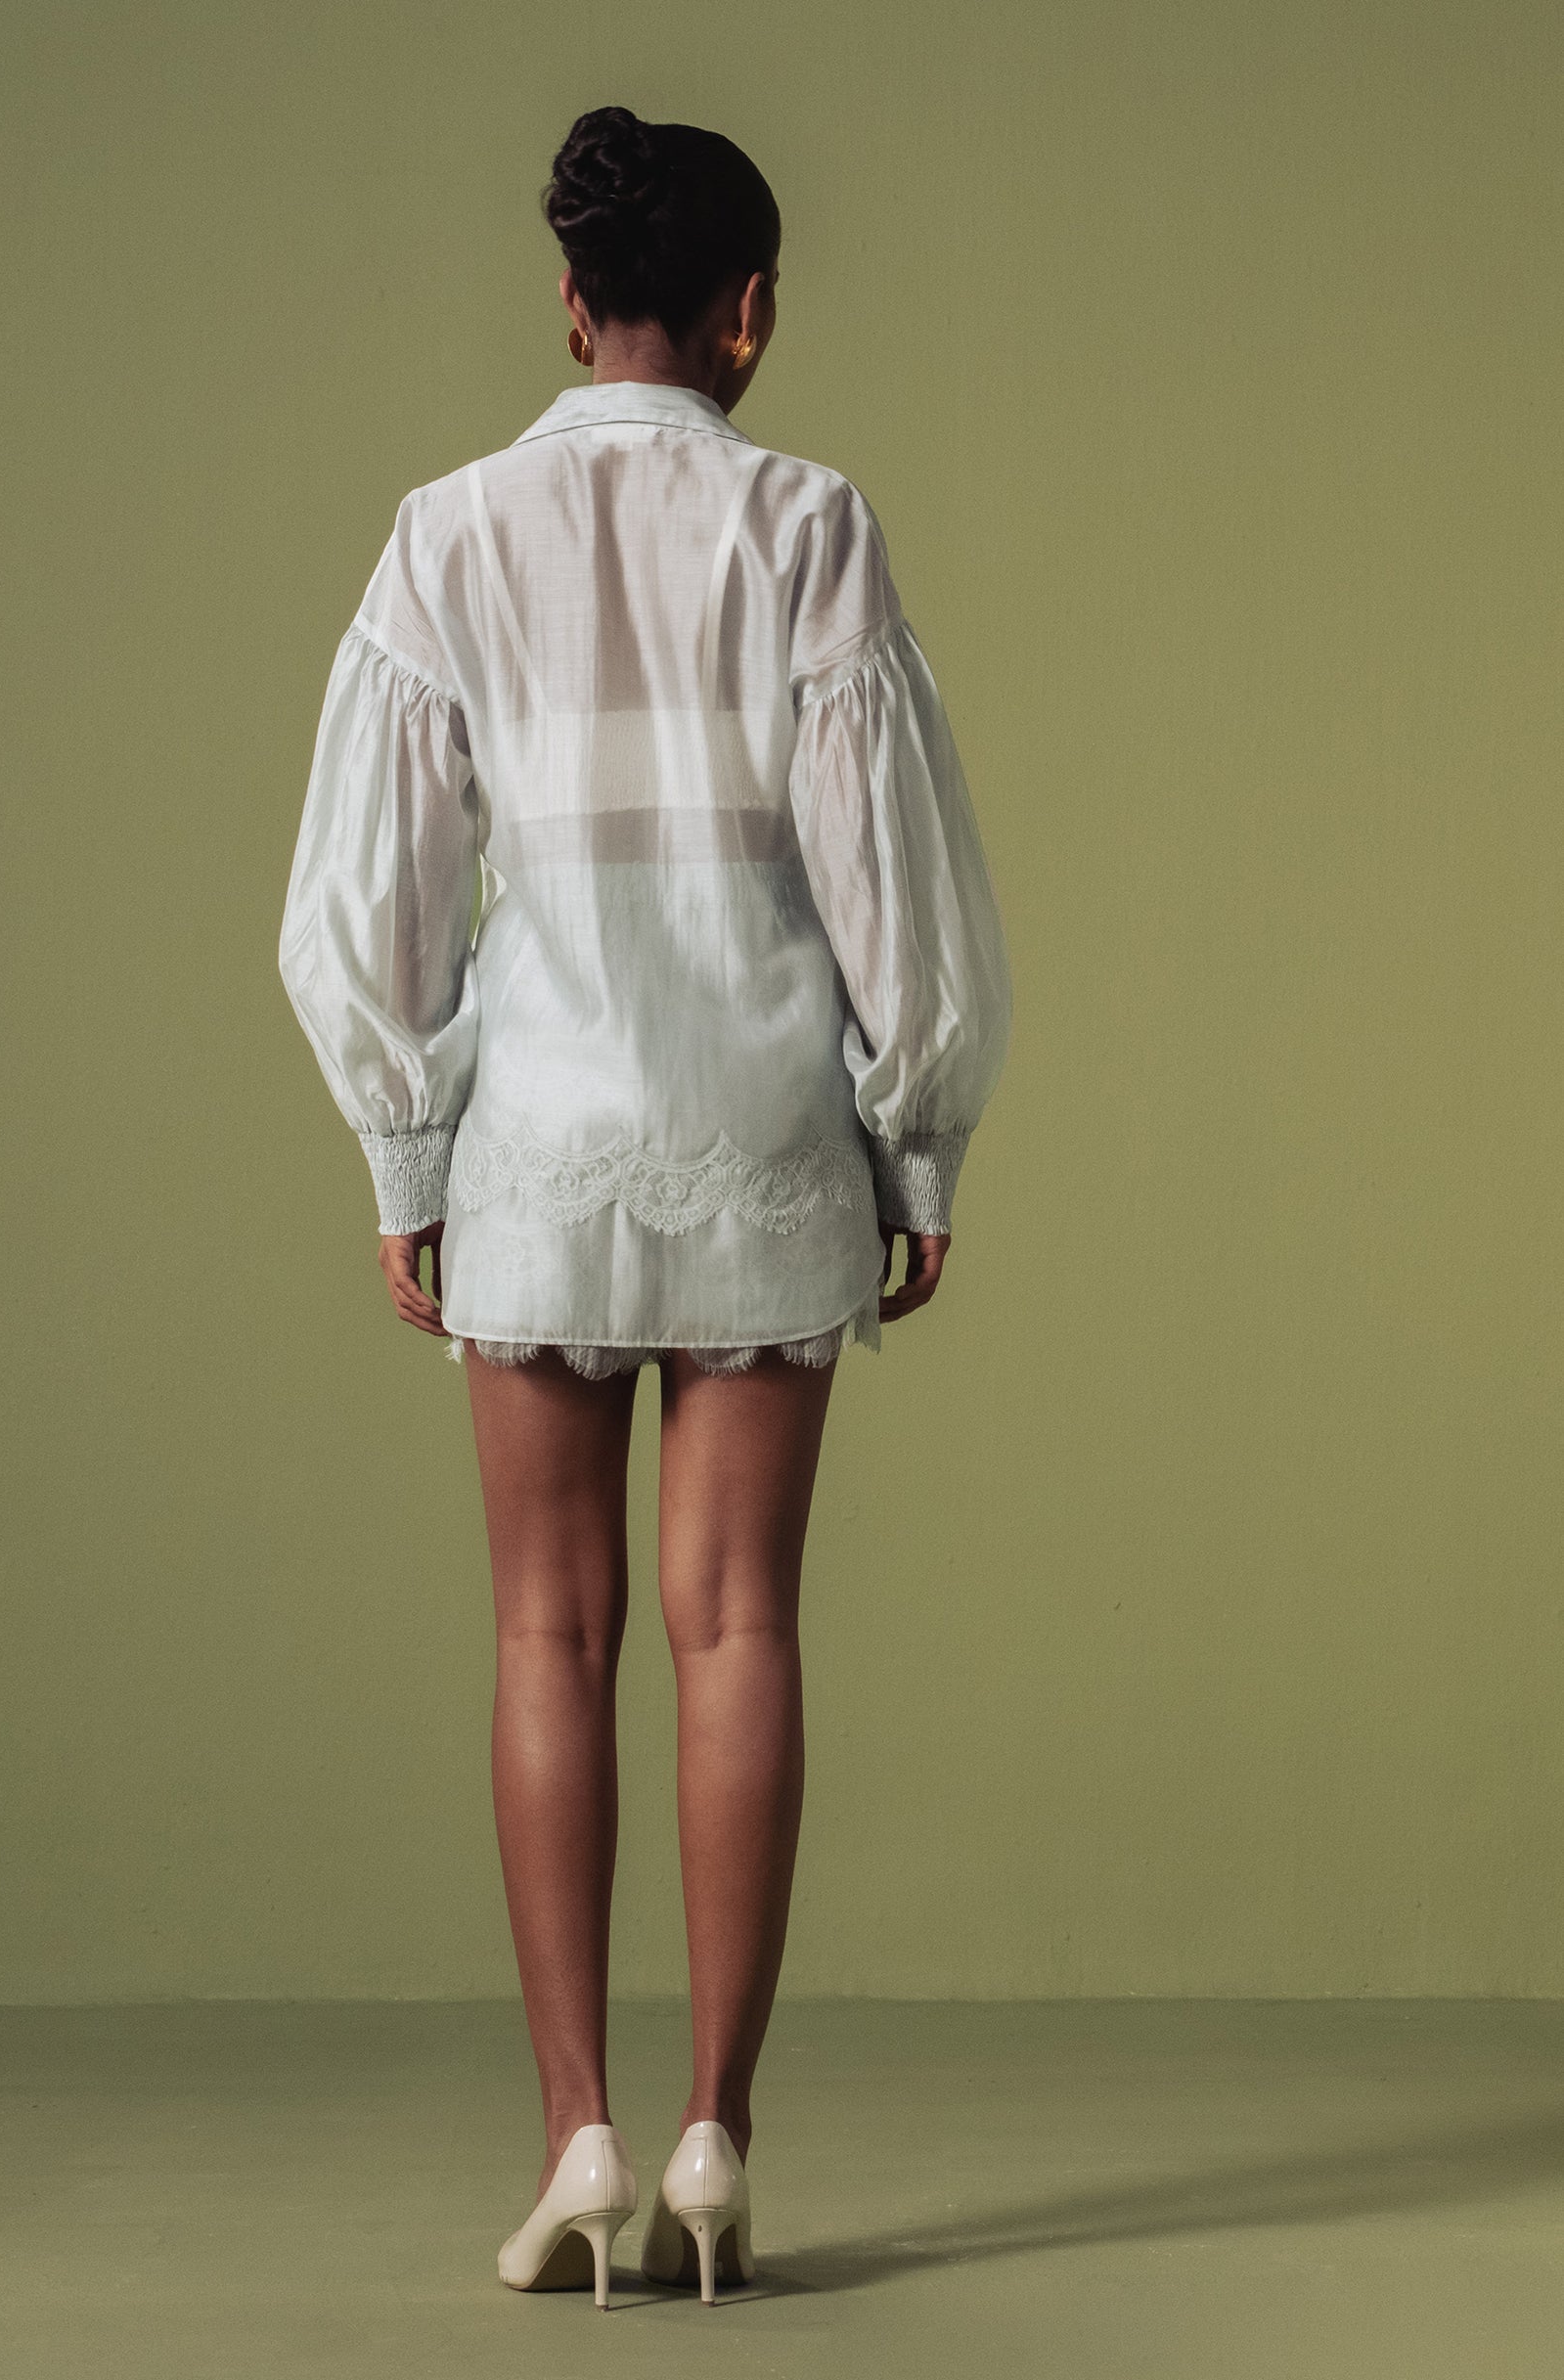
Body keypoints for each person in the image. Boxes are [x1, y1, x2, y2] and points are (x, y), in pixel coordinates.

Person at [278, 104, 1012, 2310]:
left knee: (547, 1632)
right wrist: (918, 1132)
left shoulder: (446, 534)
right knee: (737, 1626)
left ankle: (577, 2133)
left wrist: (405, 1147)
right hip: (765, 1132)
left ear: (569, 300)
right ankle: (717, 2135)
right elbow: (894, 876)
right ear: (747, 309)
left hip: (540, 1137)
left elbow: (365, 905)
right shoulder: (811, 528)